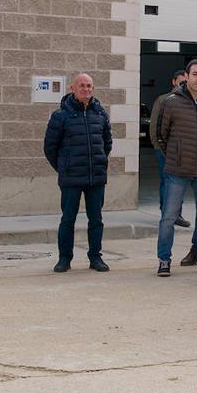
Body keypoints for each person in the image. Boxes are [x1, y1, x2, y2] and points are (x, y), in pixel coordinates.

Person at [155, 59, 197, 276]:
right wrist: (175, 155)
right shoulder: (171, 102)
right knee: (168, 217)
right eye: (195, 74)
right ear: (187, 76)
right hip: (177, 171)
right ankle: (164, 260)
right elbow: (160, 135)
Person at [43, 73, 113, 273]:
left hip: (96, 177)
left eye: (89, 86)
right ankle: (64, 258)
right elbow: (50, 148)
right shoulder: (60, 116)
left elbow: (107, 143)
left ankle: (95, 257)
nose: (86, 89)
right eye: (82, 86)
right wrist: (64, 167)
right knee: (68, 219)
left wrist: (99, 161)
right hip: (71, 178)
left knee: (96, 220)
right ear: (73, 88)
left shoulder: (100, 114)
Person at [149, 69, 191, 229]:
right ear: (174, 82)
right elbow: (154, 126)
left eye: (185, 83)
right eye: (180, 82)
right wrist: (158, 147)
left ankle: (176, 214)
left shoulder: (190, 101)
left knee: (179, 182)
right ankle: (167, 213)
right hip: (164, 151)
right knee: (167, 182)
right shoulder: (163, 100)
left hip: (182, 152)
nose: (183, 85)